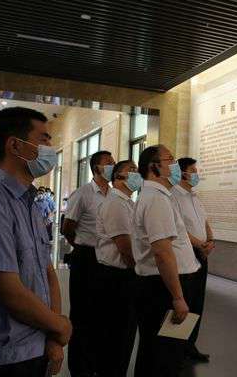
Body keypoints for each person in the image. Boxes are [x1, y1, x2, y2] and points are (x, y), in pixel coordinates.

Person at [0, 107, 72, 376]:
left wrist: (54, 336)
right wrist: (60, 325)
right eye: (43, 139)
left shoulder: (29, 201)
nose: (50, 148)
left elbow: (46, 271)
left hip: (37, 344)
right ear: (15, 145)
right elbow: (11, 293)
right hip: (6, 355)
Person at [132, 145, 201, 377]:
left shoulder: (159, 196)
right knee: (163, 356)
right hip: (162, 288)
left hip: (163, 284)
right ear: (155, 167)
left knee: (159, 353)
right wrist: (178, 297)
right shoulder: (156, 200)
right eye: (170, 159)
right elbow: (162, 252)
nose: (175, 165)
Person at [63, 150, 115, 377]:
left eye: (113, 162)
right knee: (82, 313)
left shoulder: (113, 194)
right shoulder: (83, 194)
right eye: (108, 163)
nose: (113, 166)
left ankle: (96, 360)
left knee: (102, 312)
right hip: (86, 257)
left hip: (107, 258)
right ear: (96, 168)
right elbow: (68, 227)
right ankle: (79, 367)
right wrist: (81, 246)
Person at [94, 160, 142, 376]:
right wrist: (139, 273)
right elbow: (125, 248)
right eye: (131, 170)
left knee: (124, 335)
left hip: (123, 275)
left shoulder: (127, 202)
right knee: (117, 335)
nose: (136, 174)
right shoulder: (115, 203)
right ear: (118, 177)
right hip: (117, 277)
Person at [172, 157, 215, 363]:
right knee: (186, 301)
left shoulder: (195, 196)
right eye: (193, 170)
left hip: (201, 252)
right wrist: (200, 245)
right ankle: (177, 349)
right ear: (182, 173)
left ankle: (190, 345)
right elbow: (179, 229)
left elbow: (205, 222)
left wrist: (210, 241)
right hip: (186, 253)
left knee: (198, 301)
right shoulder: (174, 197)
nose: (196, 174)